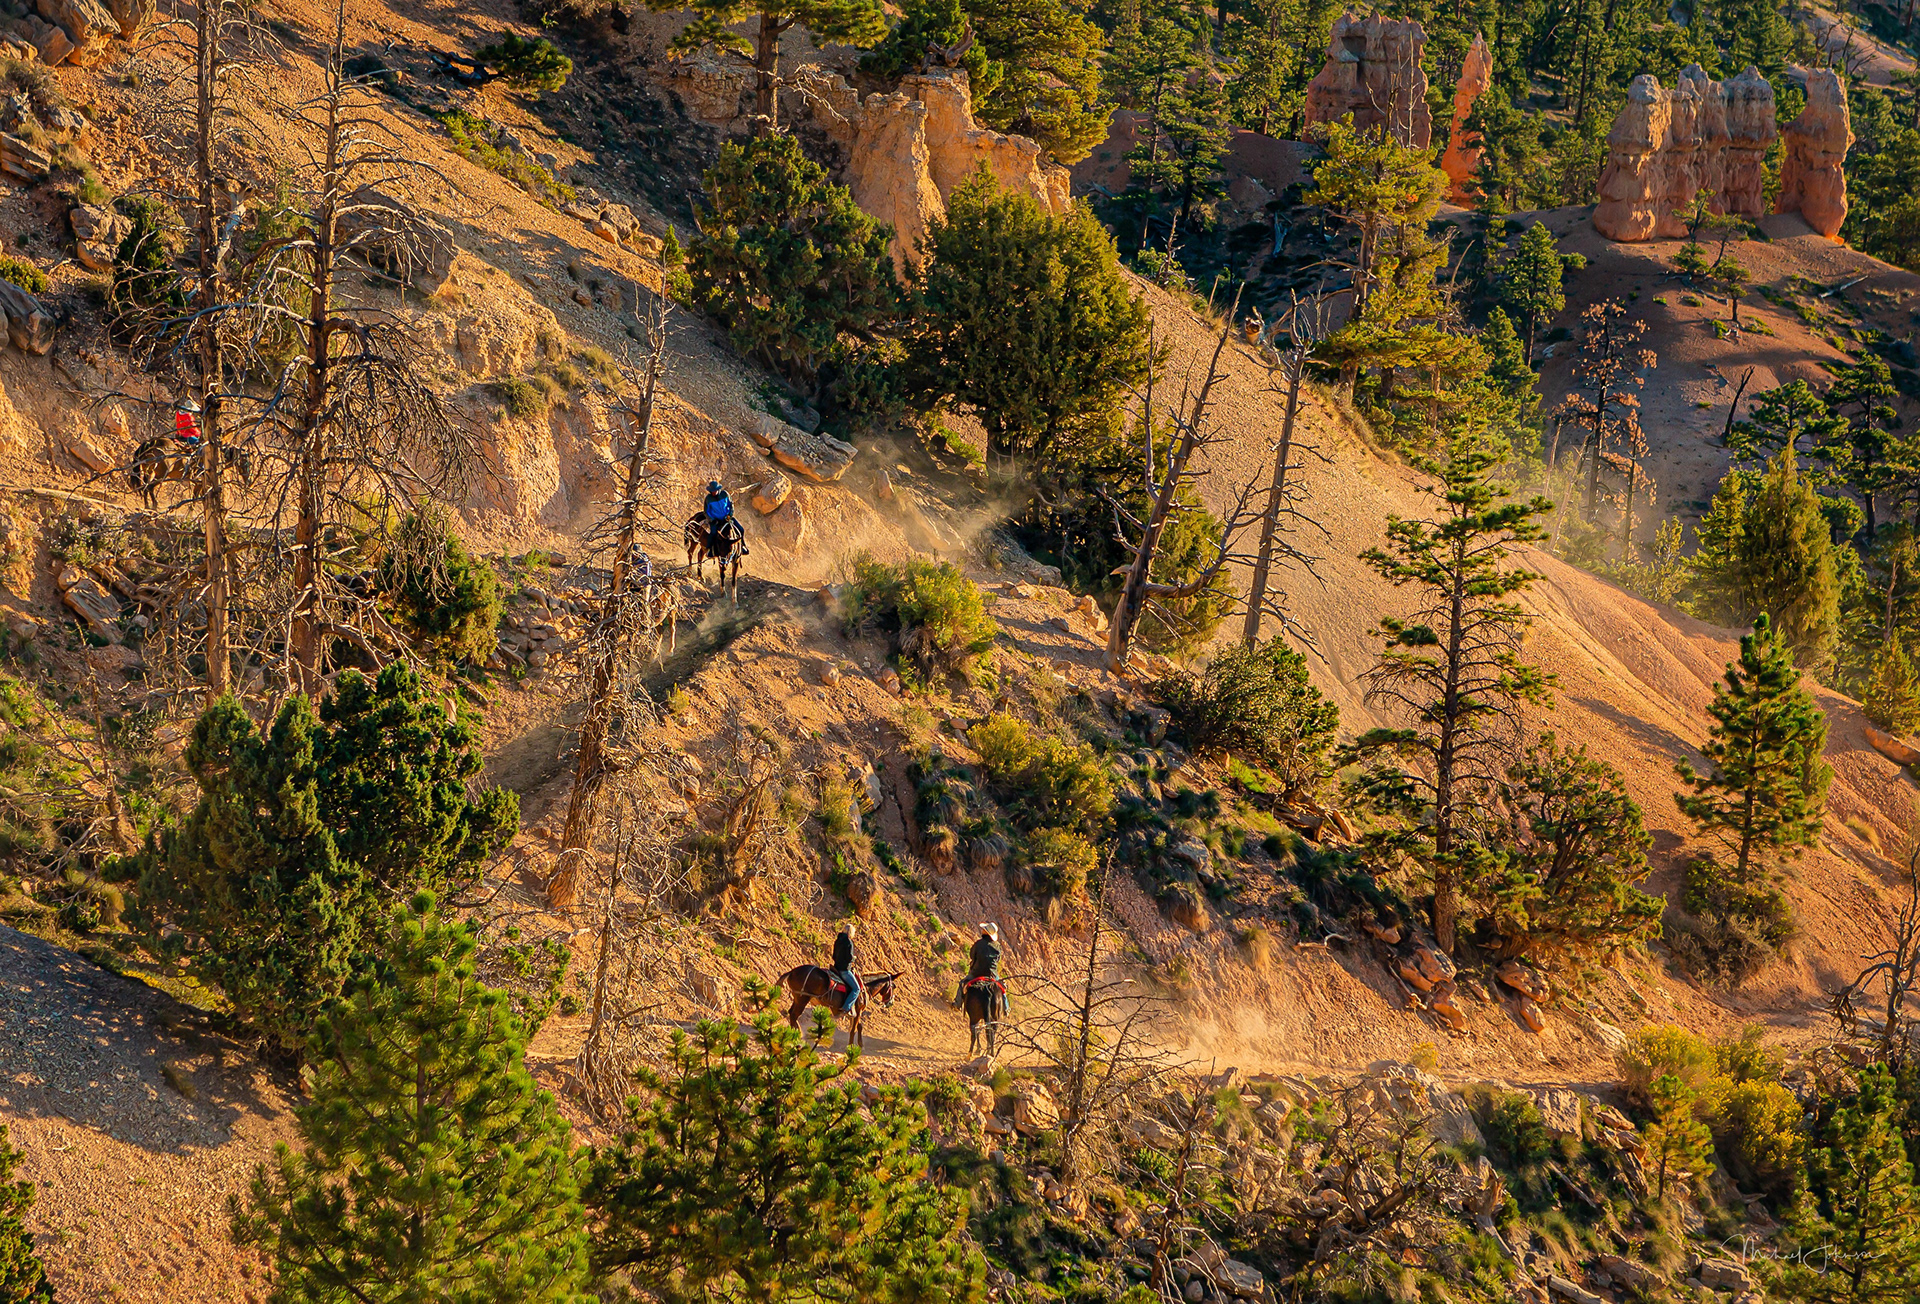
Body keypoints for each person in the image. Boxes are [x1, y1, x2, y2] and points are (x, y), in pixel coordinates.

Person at [955, 922, 1003, 1014]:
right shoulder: (997, 946)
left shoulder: (978, 944)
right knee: (1002, 988)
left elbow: (972, 956)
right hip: (992, 974)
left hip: (977, 973)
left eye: (984, 929)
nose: (982, 930)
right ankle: (1006, 1008)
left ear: (985, 932)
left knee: (962, 984)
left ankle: (957, 1004)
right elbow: (997, 960)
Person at [829, 920, 861, 1014]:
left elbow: (834, 956)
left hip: (836, 968)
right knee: (856, 989)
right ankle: (846, 1007)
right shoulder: (849, 943)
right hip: (844, 970)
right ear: (851, 932)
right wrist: (853, 959)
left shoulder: (838, 941)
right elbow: (849, 958)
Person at [703, 480, 738, 558]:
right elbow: (706, 511)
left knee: (741, 529)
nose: (714, 493)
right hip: (715, 520)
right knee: (713, 533)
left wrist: (730, 514)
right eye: (712, 491)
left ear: (718, 489)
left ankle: (742, 547)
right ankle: (709, 550)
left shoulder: (725, 494)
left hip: (727, 518)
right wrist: (711, 519)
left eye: (715, 491)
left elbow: (731, 504)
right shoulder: (708, 499)